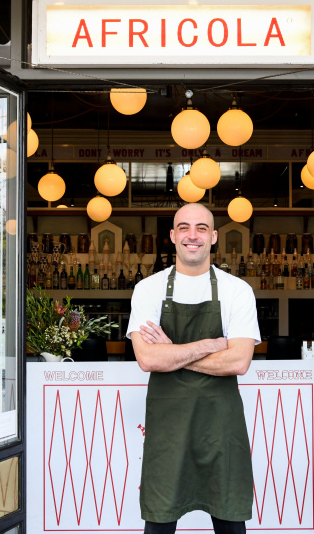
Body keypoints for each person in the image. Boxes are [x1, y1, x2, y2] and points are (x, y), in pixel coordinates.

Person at [127, 203, 260, 534]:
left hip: (221, 431)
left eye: (201, 228)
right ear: (172, 236)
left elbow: (239, 361)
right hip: (168, 432)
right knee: (159, 526)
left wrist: (172, 352)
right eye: (184, 227)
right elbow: (148, 359)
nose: (192, 235)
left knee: (231, 524)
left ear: (213, 237)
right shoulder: (148, 290)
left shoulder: (237, 291)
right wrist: (210, 344)